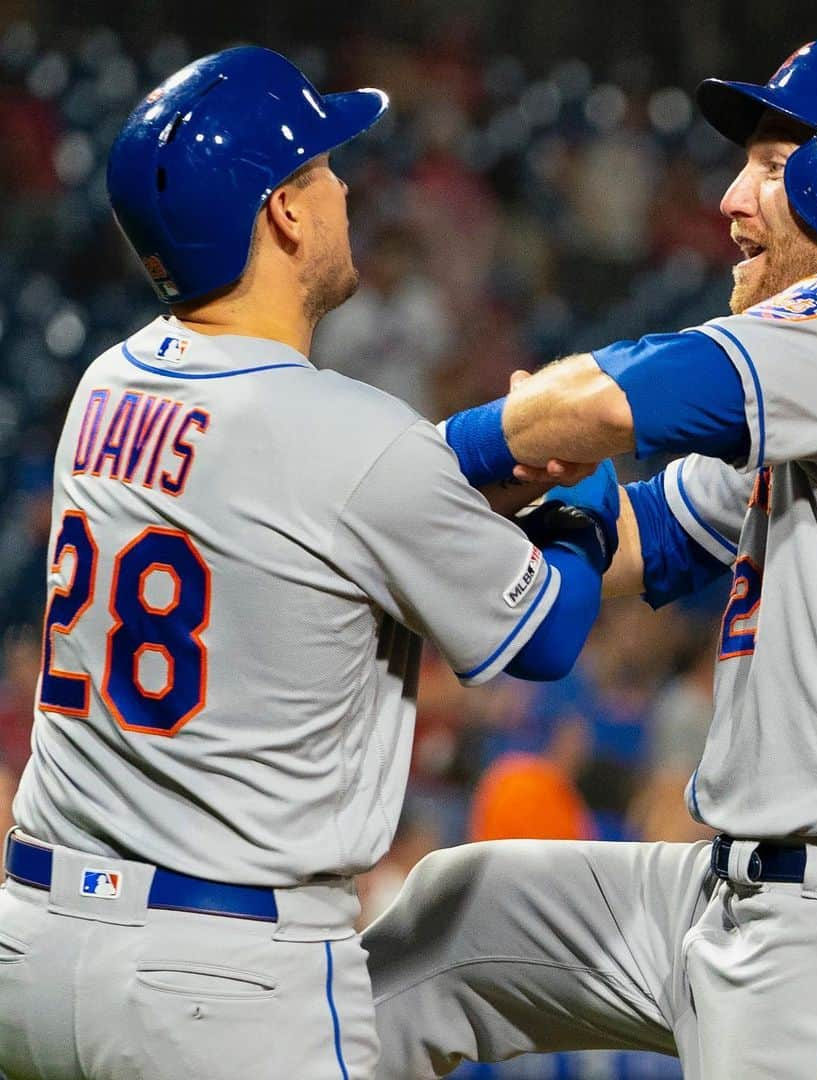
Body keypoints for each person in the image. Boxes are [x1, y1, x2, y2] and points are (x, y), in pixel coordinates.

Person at [366, 38, 817, 1079]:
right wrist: (572, 497)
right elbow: (644, 539)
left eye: (770, 166)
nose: (729, 201)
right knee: (454, 922)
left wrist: (395, 473)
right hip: (750, 895)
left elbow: (616, 398)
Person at [0, 47, 616, 1080]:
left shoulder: (103, 386)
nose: (343, 187)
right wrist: (587, 491)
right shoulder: (348, 438)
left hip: (32, 946)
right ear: (284, 212)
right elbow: (547, 634)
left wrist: (474, 463)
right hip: (219, 982)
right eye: (324, 168)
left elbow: (303, 506)